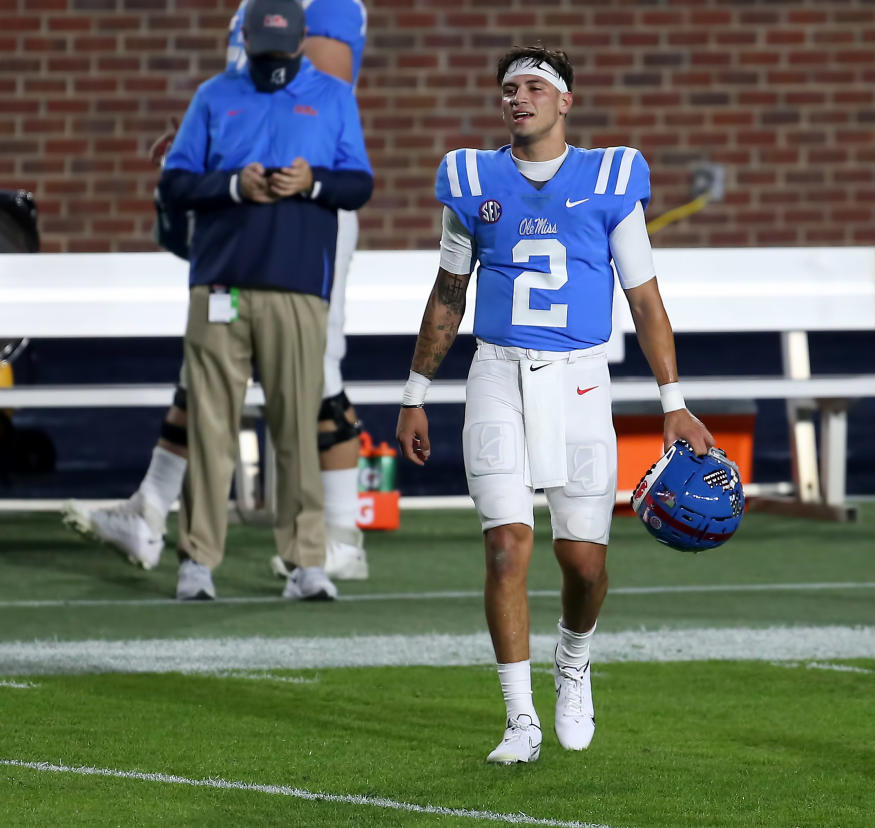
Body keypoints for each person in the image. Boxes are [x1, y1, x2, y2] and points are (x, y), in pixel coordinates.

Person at [394, 46, 713, 764]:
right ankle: (519, 719)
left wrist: (674, 402)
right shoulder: (473, 181)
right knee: (507, 546)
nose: (519, 97)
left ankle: (574, 661)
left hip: (579, 378)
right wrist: (416, 393)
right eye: (509, 88)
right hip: (498, 374)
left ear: (565, 101)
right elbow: (449, 294)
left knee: (583, 562)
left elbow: (644, 298)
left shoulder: (609, 179)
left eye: (535, 86)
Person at [63, 0, 373, 582]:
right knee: (203, 386)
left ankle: (336, 535)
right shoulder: (247, 30)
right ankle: (153, 509)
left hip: (300, 227)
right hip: (234, 239)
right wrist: (216, 161)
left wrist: (255, 166)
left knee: (314, 385)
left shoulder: (321, 9)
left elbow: (309, 106)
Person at [158, 0, 373, 600]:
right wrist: (233, 184)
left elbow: (359, 183)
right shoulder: (213, 96)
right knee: (210, 425)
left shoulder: (332, 97)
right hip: (220, 283)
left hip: (299, 286)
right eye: (263, 50)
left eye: (281, 50)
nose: (271, 61)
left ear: (301, 43)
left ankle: (307, 564)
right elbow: (174, 184)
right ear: (245, 42)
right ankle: (196, 562)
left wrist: (312, 182)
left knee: (296, 427)